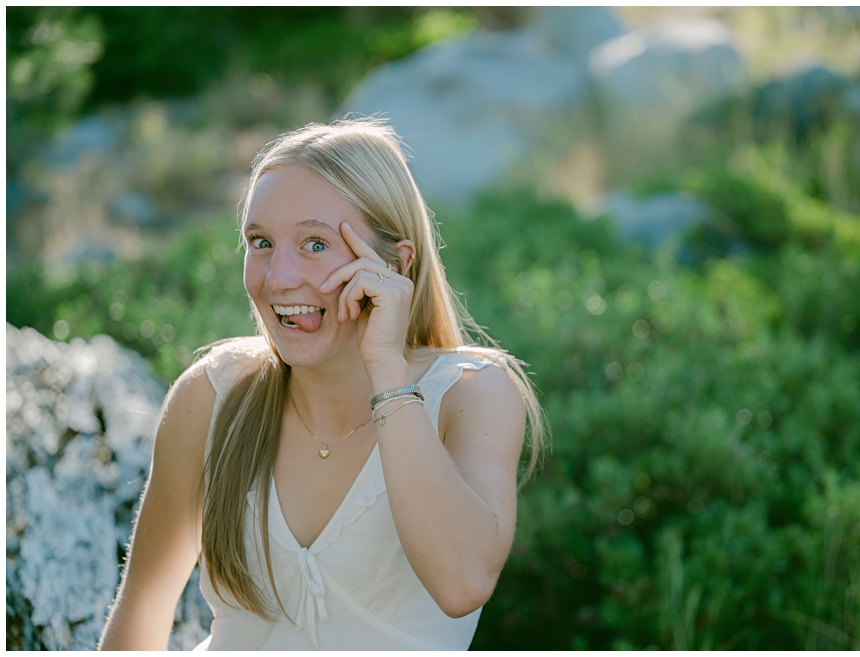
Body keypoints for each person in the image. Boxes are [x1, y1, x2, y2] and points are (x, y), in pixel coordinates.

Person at [97, 117, 547, 650]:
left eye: (315, 244)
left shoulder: (472, 393)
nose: (279, 277)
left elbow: (462, 582)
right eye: (260, 242)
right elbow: (144, 607)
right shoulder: (212, 395)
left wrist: (386, 368)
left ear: (394, 265)